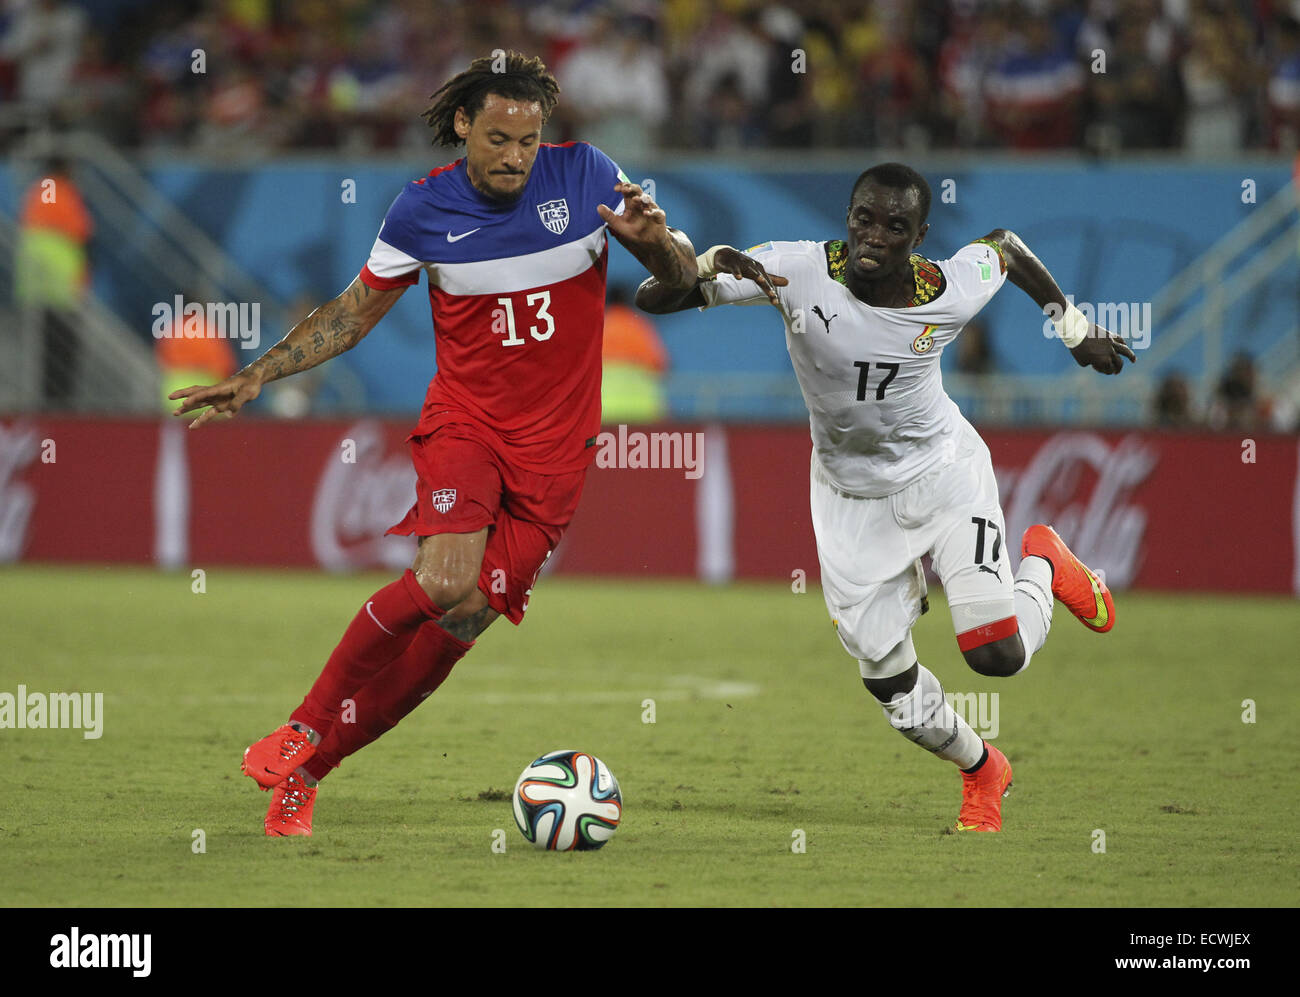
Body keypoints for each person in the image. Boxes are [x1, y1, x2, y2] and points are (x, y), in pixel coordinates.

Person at [169, 52, 697, 836]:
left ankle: (308, 771)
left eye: (527, 138)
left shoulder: (588, 174)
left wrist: (654, 245)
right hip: (468, 425)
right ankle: (304, 724)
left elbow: (681, 281)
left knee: (465, 618)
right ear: (462, 126)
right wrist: (257, 376)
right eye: (497, 137)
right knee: (446, 578)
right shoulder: (421, 210)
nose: (515, 155)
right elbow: (351, 313)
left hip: (557, 455)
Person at [636, 162, 1135, 832]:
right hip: (851, 499)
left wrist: (1072, 327)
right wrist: (696, 267)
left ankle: (1044, 564)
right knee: (892, 688)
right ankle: (983, 766)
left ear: (919, 234)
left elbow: (1007, 248)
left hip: (944, 475)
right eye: (863, 219)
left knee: (997, 656)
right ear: (848, 216)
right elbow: (651, 298)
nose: (873, 236)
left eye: (894, 226)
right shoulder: (792, 269)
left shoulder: (949, 288)